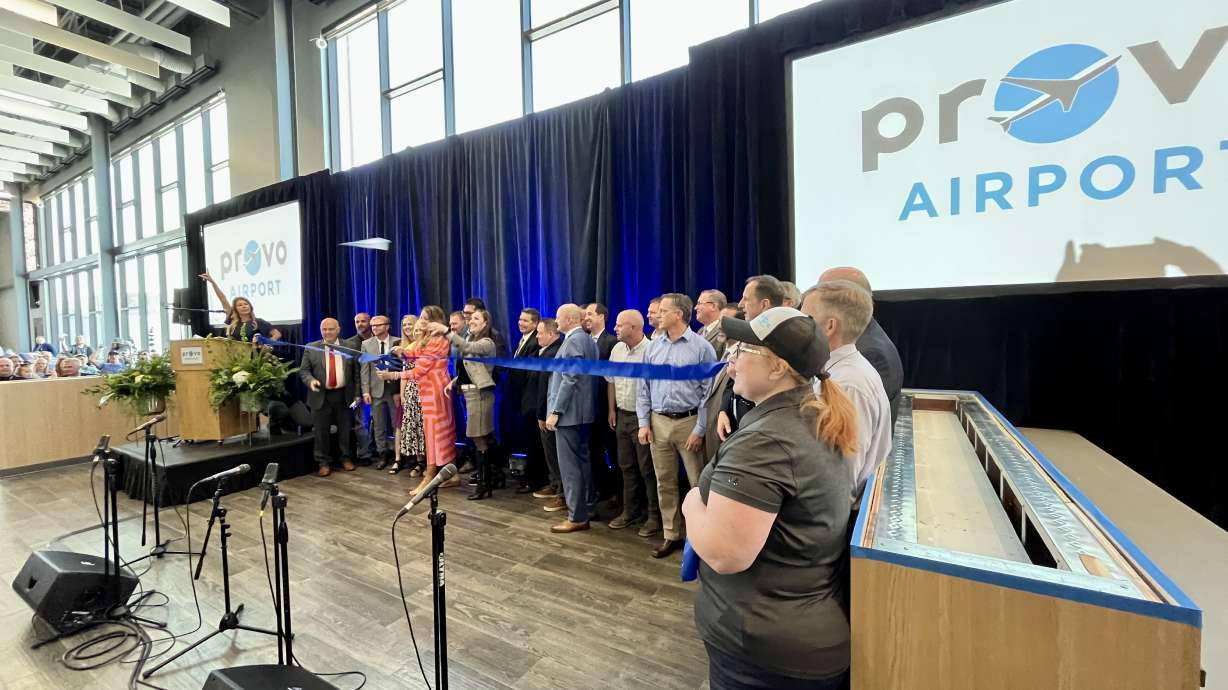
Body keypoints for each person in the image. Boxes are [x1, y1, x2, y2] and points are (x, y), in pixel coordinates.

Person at [683, 307, 857, 690]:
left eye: (743, 350)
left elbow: (726, 554)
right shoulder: (808, 415)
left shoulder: (767, 440)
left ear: (778, 368)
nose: (731, 359)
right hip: (792, 631)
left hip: (764, 647)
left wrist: (692, 500)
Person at [637, 293, 717, 558]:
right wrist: (643, 422)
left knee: (697, 484)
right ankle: (671, 534)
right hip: (658, 423)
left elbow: (709, 391)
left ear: (679, 314)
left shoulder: (702, 347)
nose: (657, 315)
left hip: (689, 422)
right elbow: (643, 386)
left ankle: (701, 540)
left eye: (663, 311)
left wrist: (700, 429)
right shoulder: (653, 347)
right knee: (665, 482)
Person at [802, 281, 892, 505]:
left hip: (835, 516)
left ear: (829, 326)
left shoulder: (848, 383)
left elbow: (843, 472)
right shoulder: (840, 372)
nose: (800, 325)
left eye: (806, 319)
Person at [385, 306, 459, 496]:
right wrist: (402, 351)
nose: (422, 321)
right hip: (426, 391)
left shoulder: (439, 340)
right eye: (422, 318)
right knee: (431, 434)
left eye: (426, 318)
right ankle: (443, 473)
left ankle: (432, 474)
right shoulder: (428, 339)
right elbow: (415, 354)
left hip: (435, 391)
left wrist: (393, 374)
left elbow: (420, 370)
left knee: (436, 434)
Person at [818, 266, 904, 423]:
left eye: (822, 295)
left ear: (846, 299)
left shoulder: (871, 353)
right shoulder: (863, 336)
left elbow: (850, 430)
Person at [710, 275, 788, 448]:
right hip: (739, 428)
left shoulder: (783, 342)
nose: (739, 304)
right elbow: (732, 381)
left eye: (746, 299)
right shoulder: (750, 333)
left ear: (764, 304)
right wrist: (724, 409)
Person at [433, 308, 500, 500]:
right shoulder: (470, 340)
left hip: (479, 394)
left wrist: (446, 332)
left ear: (486, 323)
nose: (471, 321)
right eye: (470, 319)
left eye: (476, 318)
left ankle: (485, 484)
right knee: (481, 437)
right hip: (469, 393)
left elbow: (469, 350)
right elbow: (470, 368)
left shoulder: (486, 343)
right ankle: (490, 478)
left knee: (479, 437)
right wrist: (454, 381)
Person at [545, 304, 600, 533]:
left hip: (569, 415)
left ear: (568, 319)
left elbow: (570, 379)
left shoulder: (575, 340)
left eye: (558, 318)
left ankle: (577, 516)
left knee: (570, 467)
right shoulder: (587, 340)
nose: (556, 322)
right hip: (581, 414)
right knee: (582, 463)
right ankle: (587, 507)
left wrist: (556, 411)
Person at [606, 309, 660, 537]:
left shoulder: (651, 351)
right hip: (622, 415)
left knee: (648, 469)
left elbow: (654, 388)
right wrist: (611, 409)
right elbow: (610, 380)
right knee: (626, 467)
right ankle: (630, 511)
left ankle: (654, 516)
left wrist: (646, 420)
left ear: (635, 328)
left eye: (620, 325)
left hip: (644, 418)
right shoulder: (617, 349)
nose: (615, 328)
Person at [299, 318, 361, 477]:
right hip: (320, 396)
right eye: (324, 329)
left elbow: (356, 374)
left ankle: (346, 458)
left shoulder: (350, 347)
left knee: (345, 430)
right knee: (321, 432)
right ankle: (323, 462)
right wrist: (310, 381)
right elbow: (304, 371)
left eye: (331, 329)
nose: (327, 332)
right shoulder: (311, 348)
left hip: (344, 395)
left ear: (338, 329)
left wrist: (357, 394)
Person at [584, 302, 620, 509]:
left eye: (589, 314)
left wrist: (611, 409)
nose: (585, 317)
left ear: (602, 317)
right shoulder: (582, 340)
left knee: (613, 453)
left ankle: (616, 492)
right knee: (592, 452)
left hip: (604, 408)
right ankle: (600, 488)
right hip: (586, 410)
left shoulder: (612, 342)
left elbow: (611, 380)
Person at [530, 319, 566, 510]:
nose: (537, 336)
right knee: (550, 454)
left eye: (540, 333)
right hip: (546, 410)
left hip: (551, 412)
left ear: (551, 334)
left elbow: (547, 388)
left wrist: (542, 414)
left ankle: (561, 491)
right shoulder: (547, 351)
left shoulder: (554, 353)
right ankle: (554, 484)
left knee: (555, 455)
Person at [508, 308, 543, 493]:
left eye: (526, 321)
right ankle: (529, 476)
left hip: (530, 400)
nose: (521, 323)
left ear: (536, 324)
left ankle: (535, 479)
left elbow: (528, 373)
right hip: (519, 399)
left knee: (534, 441)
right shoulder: (521, 340)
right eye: (520, 319)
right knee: (527, 439)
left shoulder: (536, 342)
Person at [361, 315, 400, 469]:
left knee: (397, 423)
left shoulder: (397, 342)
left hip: (394, 390)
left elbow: (401, 366)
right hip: (375, 391)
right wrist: (365, 391)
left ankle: (399, 455)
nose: (374, 328)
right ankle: (382, 454)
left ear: (387, 326)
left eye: (378, 325)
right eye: (373, 325)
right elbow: (364, 370)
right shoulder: (366, 344)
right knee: (378, 425)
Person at [390, 318, 427, 476]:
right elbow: (404, 374)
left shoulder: (429, 347)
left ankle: (426, 463)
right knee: (409, 427)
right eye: (404, 325)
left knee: (424, 428)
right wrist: (403, 394)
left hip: (425, 391)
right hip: (410, 392)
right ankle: (408, 460)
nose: (412, 330)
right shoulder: (406, 346)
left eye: (417, 328)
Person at [199, 272, 283, 342]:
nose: (244, 306)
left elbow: (277, 334)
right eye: (240, 305)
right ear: (235, 309)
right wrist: (213, 283)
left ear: (250, 306)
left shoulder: (259, 322)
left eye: (246, 304)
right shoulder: (233, 321)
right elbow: (222, 299)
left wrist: (266, 344)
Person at [344, 313, 375, 465]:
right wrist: (358, 393)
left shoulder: (378, 341)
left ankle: (380, 450)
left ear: (370, 322)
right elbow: (353, 371)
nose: (360, 324)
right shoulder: (349, 344)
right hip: (359, 390)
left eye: (363, 321)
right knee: (361, 423)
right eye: (357, 321)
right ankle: (364, 454)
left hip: (379, 387)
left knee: (380, 423)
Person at [695, 290, 729, 360]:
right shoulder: (700, 331)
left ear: (713, 306)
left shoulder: (725, 331)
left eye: (699, 303)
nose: (695, 308)